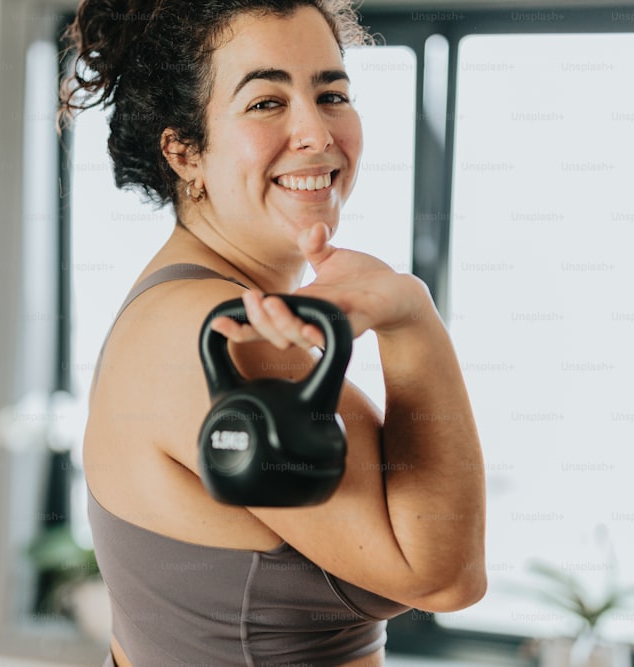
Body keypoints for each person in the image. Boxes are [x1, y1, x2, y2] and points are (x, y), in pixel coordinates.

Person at [59, 1, 487, 665]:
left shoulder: (190, 307)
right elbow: (441, 575)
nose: (316, 131)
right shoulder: (226, 333)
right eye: (266, 102)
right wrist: (412, 321)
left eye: (331, 92)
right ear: (184, 149)